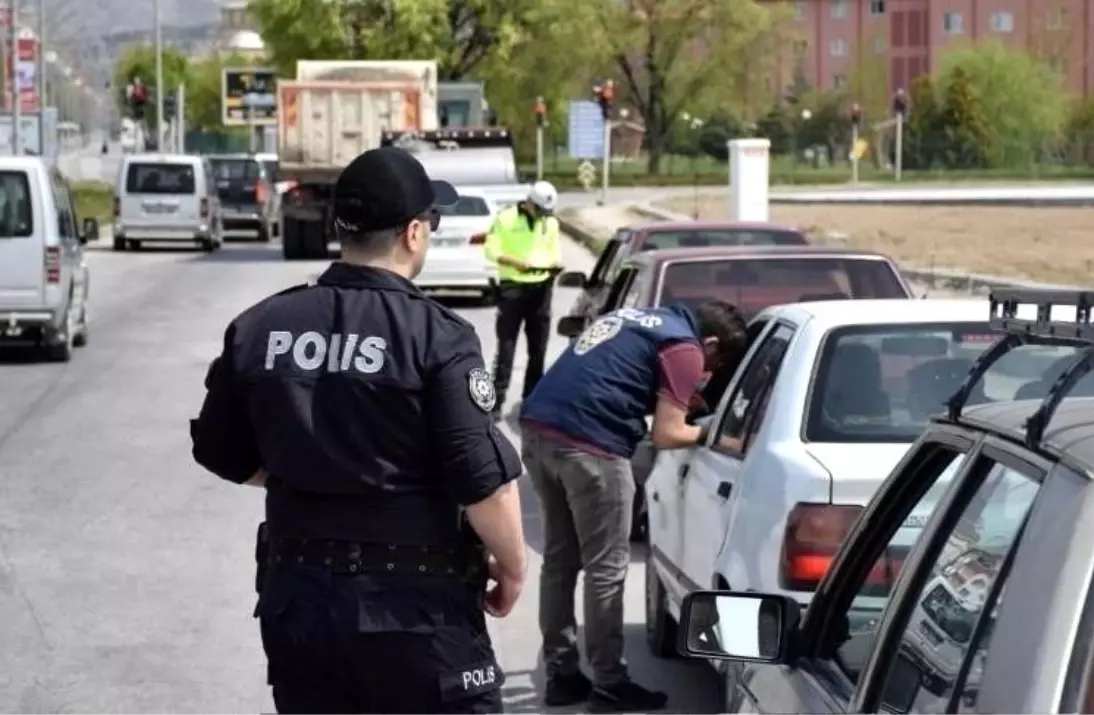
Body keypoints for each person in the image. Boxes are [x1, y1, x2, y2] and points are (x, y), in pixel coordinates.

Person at [189, 146, 527, 715]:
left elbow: (219, 449)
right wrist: (513, 568)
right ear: (414, 233)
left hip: (300, 606)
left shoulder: (260, 325)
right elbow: (483, 481)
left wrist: (312, 474)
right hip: (417, 613)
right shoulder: (438, 337)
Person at [519, 301, 748, 711]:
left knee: (560, 561)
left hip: (539, 434)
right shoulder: (684, 347)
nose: (708, 370)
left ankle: (563, 675)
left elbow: (615, 376)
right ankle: (610, 682)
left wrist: (678, 398)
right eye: (718, 359)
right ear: (710, 342)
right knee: (606, 568)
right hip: (592, 449)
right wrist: (718, 438)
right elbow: (667, 433)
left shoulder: (637, 319)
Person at [483, 180, 562, 419]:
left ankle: (531, 400)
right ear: (529, 203)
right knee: (506, 347)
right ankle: (496, 403)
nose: (542, 216)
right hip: (513, 289)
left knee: (538, 349)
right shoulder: (506, 219)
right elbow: (491, 250)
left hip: (542, 288)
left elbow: (553, 251)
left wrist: (555, 265)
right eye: (539, 210)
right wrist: (514, 262)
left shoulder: (550, 222)